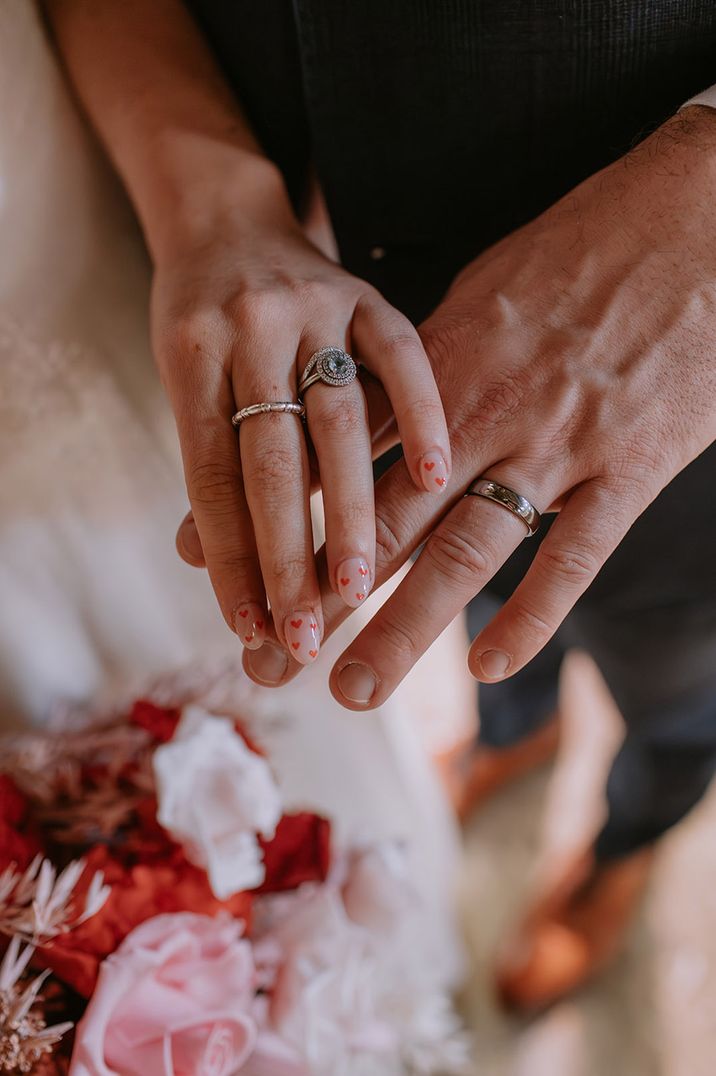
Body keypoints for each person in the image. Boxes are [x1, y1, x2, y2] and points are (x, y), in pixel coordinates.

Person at [47, 0, 716, 1011]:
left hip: (678, 369)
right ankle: (513, 731)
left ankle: (623, 841)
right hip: (358, 312)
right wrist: (214, 200)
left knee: (673, 684)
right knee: (479, 604)